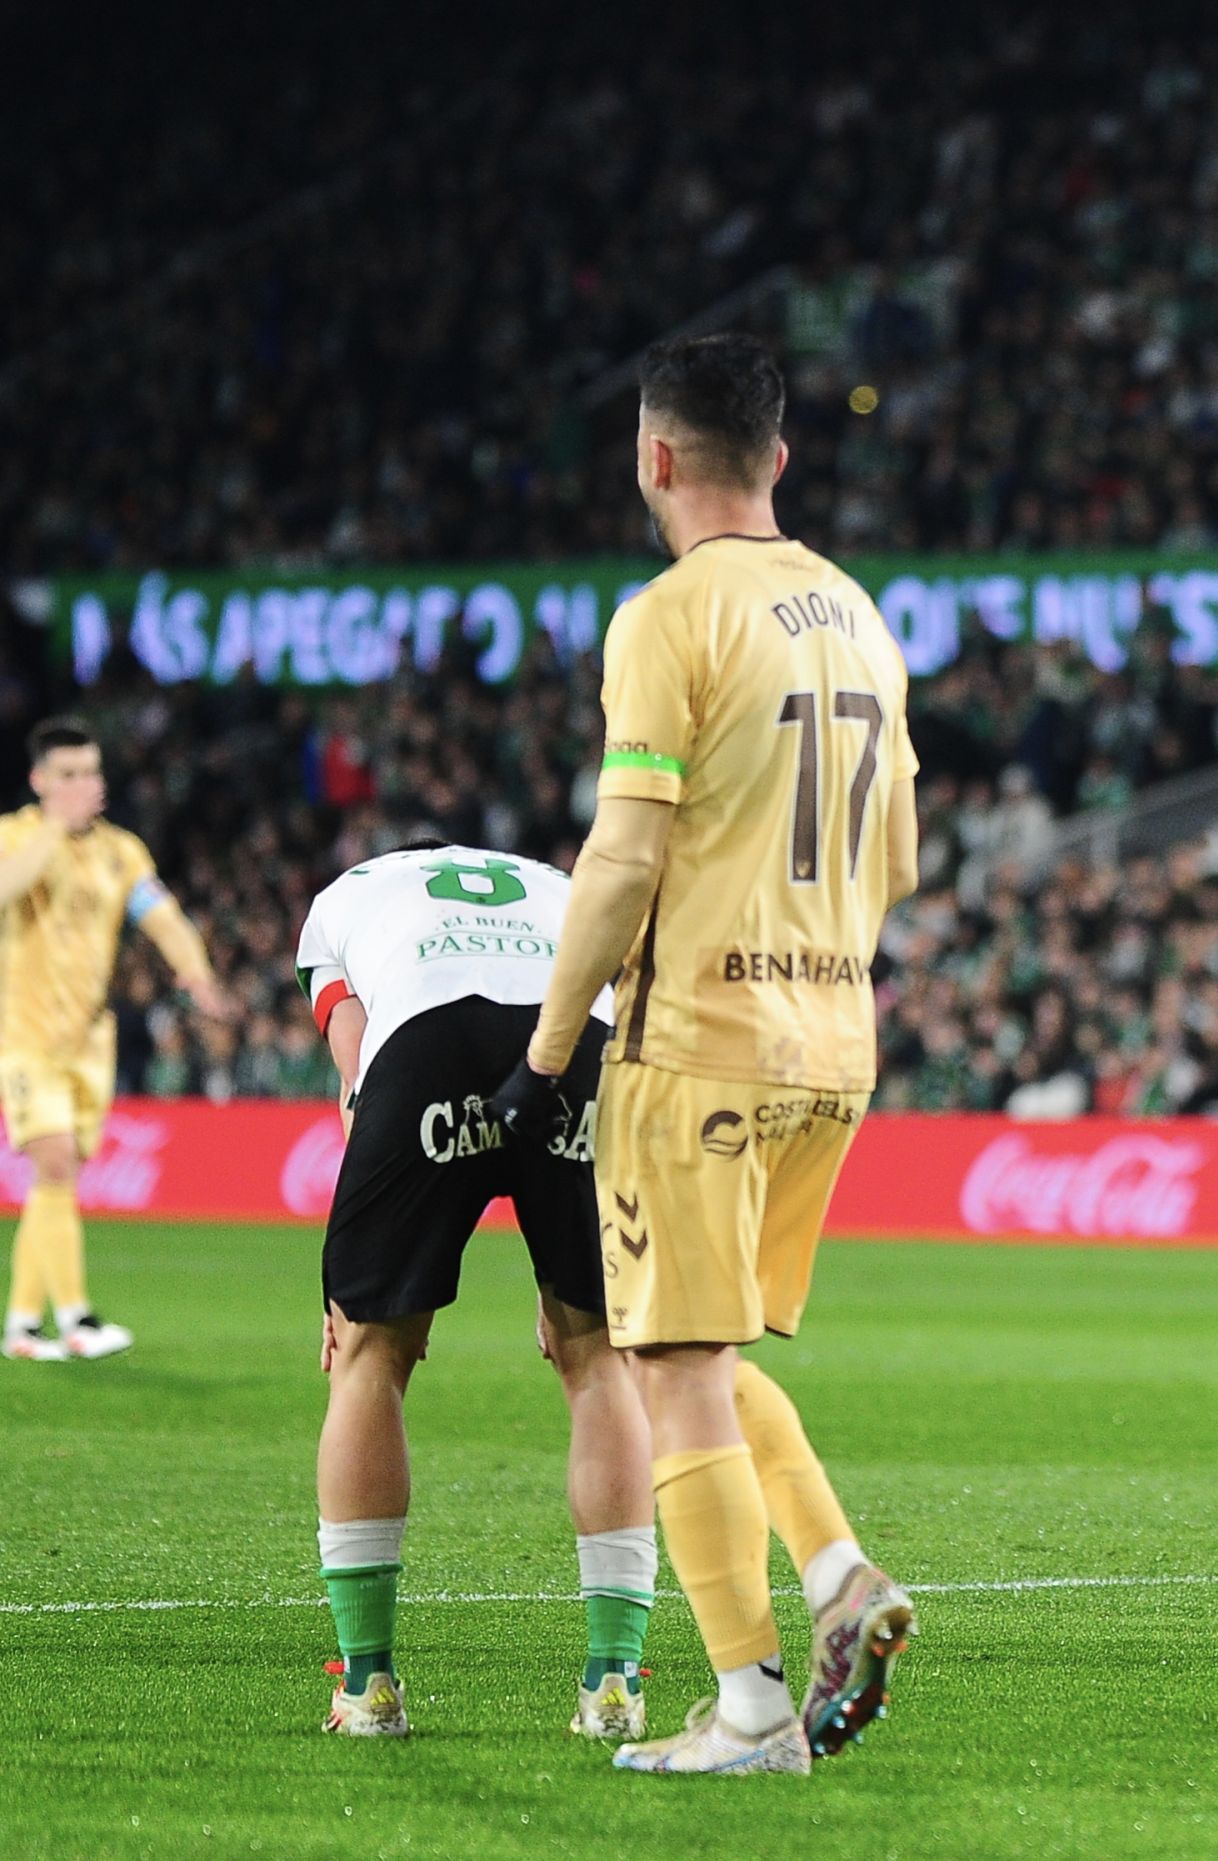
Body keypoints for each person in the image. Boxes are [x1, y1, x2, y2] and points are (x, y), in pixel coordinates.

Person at [492, 333, 920, 1777]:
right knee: (709, 1346)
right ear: (780, 457)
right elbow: (903, 855)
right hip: (834, 1041)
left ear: (653, 458)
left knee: (661, 1356)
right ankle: (834, 1573)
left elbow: (624, 855)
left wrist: (548, 1050)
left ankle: (748, 1709)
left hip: (701, 1040)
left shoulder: (670, 615)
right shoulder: (860, 614)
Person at [297, 839, 648, 1739]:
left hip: (429, 1040)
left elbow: (356, 1081)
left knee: (371, 1360)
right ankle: (614, 1685)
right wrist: (571, 1266)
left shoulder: (339, 902)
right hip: (577, 1044)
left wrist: (348, 1295)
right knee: (600, 1361)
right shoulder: (557, 885)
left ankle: (368, 1686)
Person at [1, 717, 228, 1362]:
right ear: (39, 780)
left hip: (89, 1040)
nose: (83, 785)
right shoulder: (16, 836)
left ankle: (21, 1327)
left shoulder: (120, 852)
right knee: (54, 1164)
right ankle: (76, 1317)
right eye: (67, 774)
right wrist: (52, 825)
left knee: (58, 1179)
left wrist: (197, 974)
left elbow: (162, 915)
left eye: (91, 773)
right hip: (25, 1033)